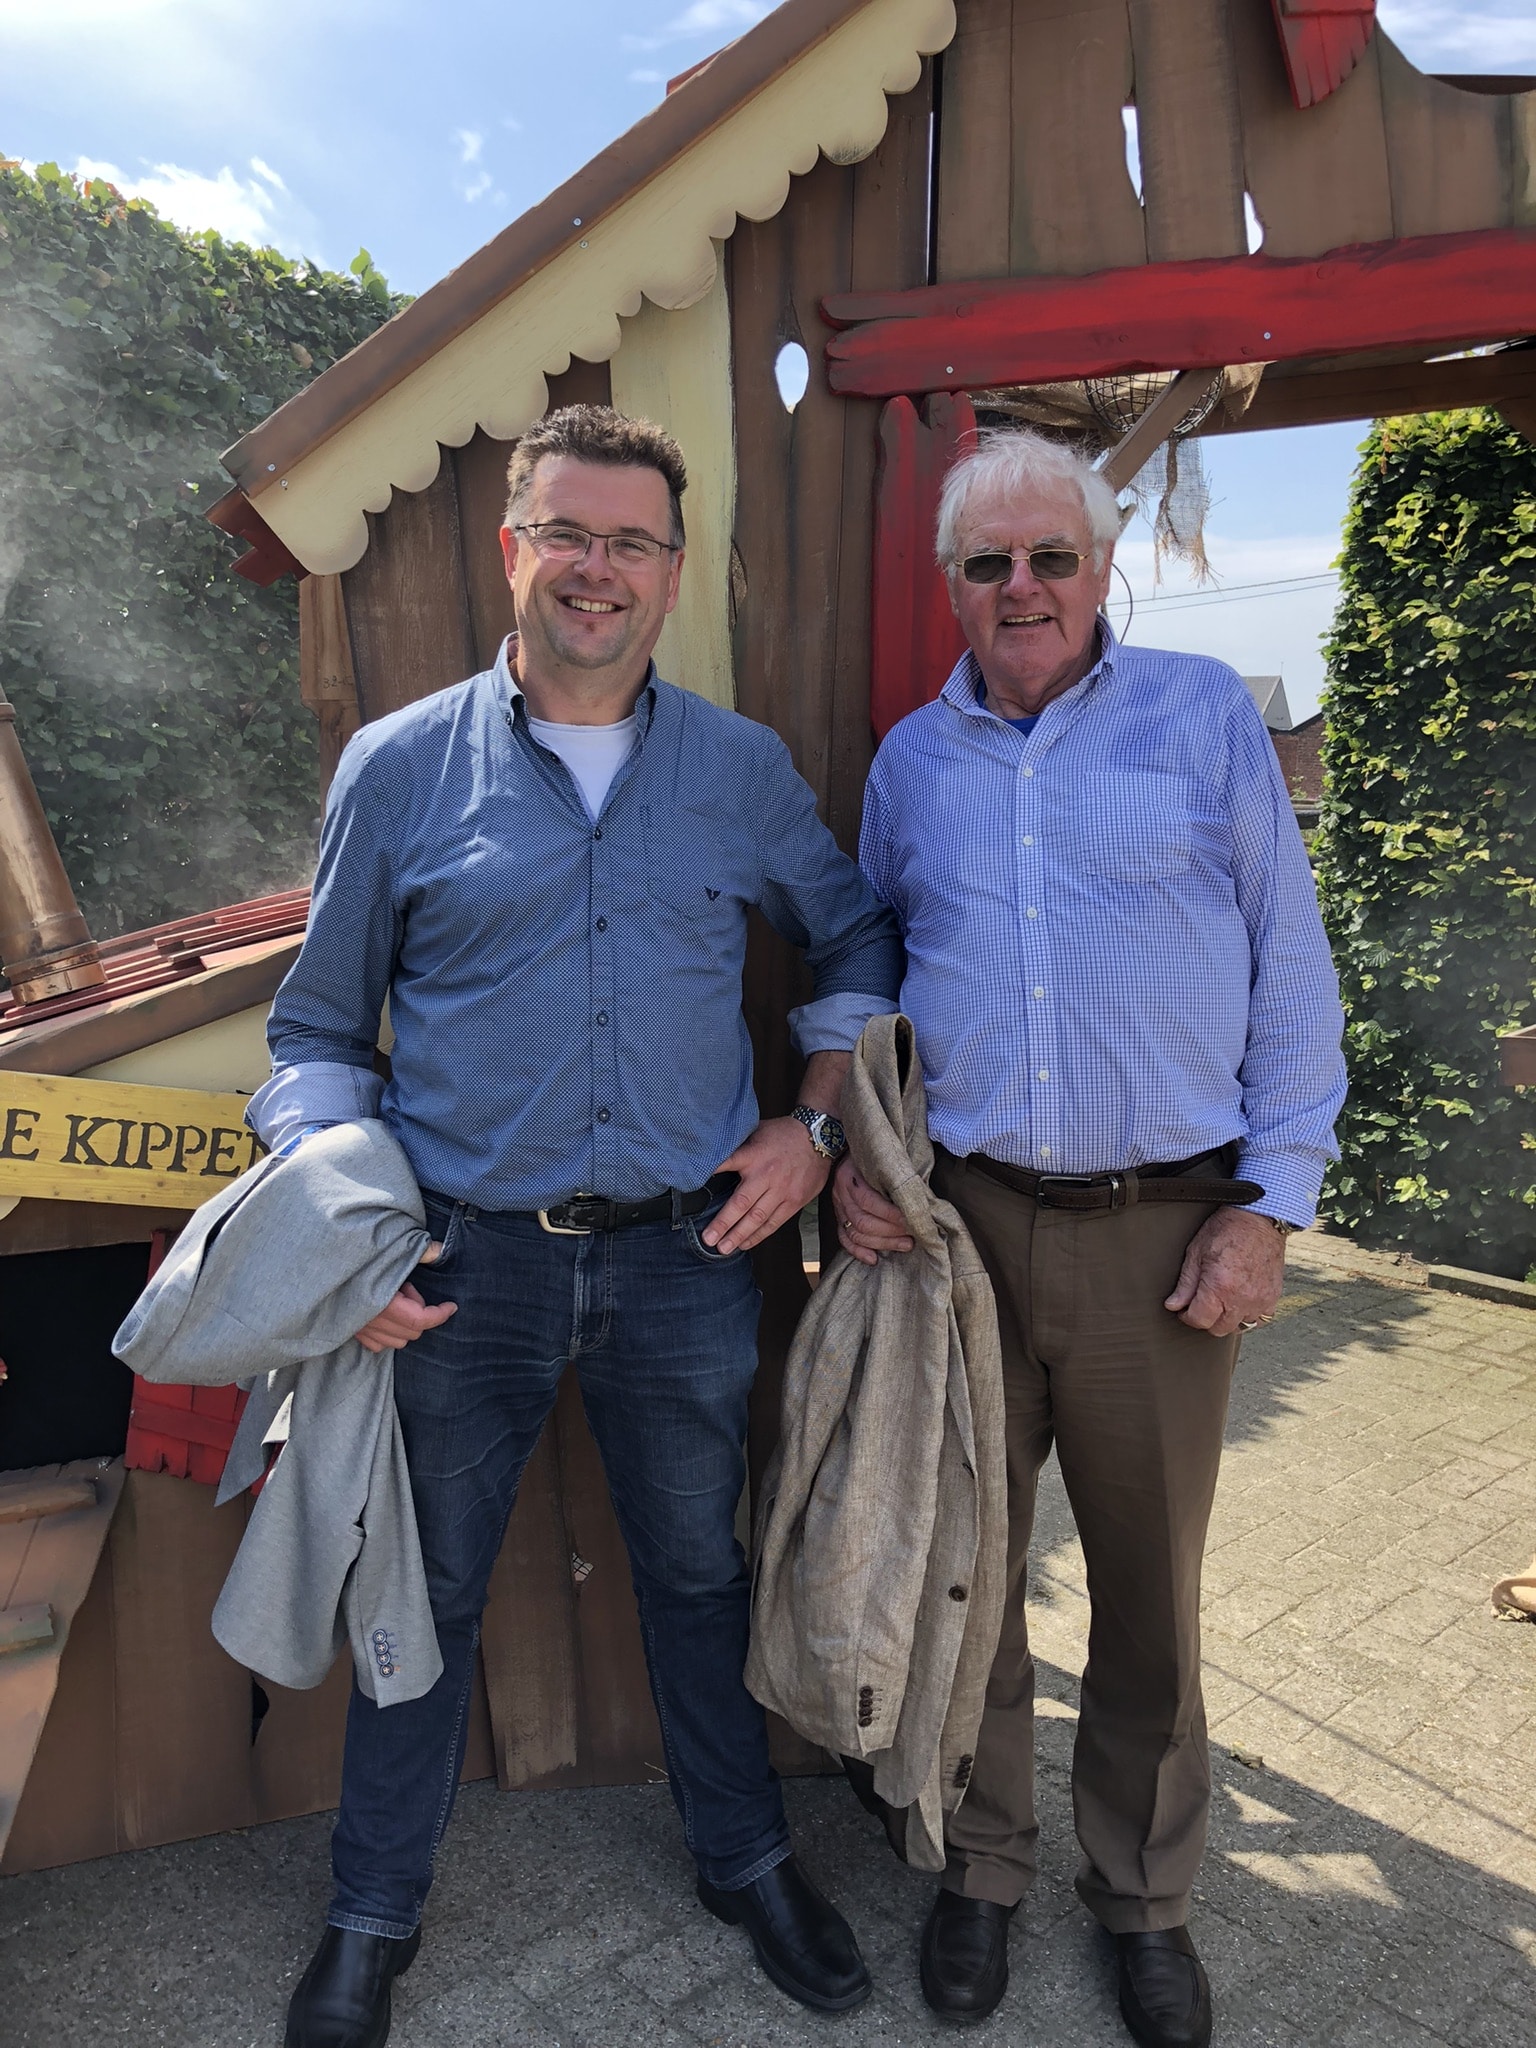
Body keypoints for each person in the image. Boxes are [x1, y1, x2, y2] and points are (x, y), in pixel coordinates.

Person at [250, 405, 903, 2048]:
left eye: (631, 542)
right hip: (460, 1265)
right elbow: (314, 1036)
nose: (596, 569)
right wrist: (341, 1233)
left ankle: (744, 1860)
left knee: (695, 1571)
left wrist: (818, 1126)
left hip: (691, 1258)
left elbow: (857, 944)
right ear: (513, 549)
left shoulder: (738, 773)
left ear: (672, 573)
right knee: (425, 1588)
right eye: (568, 533)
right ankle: (372, 1912)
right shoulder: (399, 769)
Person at [834, 430, 1346, 2048]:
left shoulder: (1202, 718)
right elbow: (872, 969)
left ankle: (1144, 1896)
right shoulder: (913, 764)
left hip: (1165, 1233)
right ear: (953, 585)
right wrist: (858, 1146)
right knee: (970, 1569)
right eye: (989, 564)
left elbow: (1290, 965)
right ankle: (981, 1864)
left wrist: (1272, 1204)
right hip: (966, 1230)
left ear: (1104, 564)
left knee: (1147, 1588)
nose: (1023, 587)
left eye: (1052, 556)